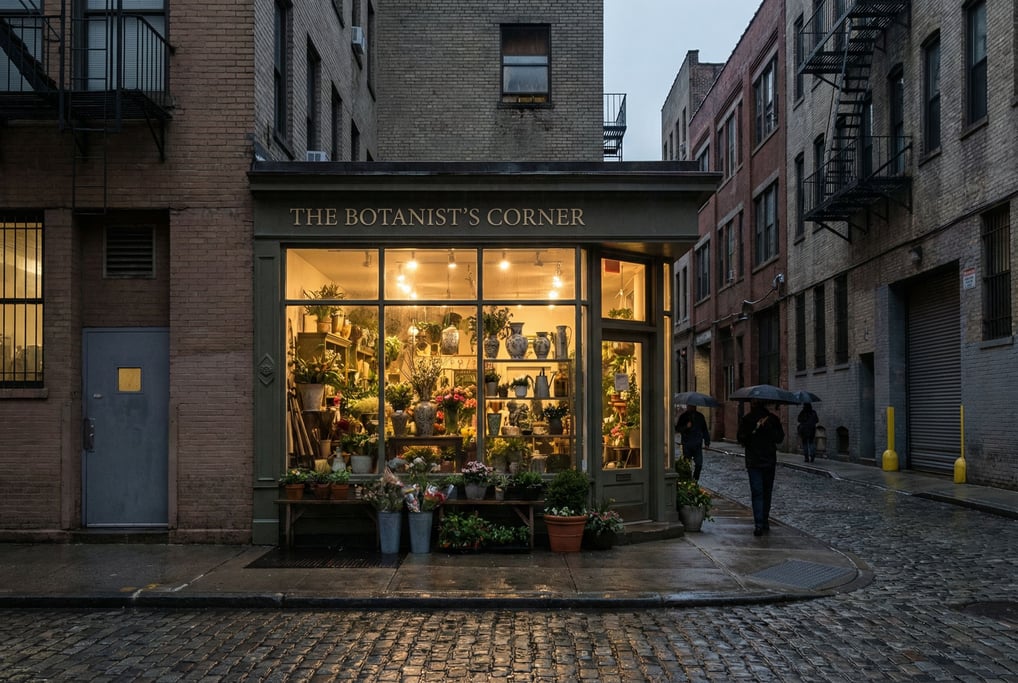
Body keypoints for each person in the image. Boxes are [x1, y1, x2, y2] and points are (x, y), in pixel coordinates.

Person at [737, 398, 785, 536]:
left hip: (756, 461)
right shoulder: (764, 419)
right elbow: (779, 438)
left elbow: (741, 439)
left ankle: (760, 522)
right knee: (765, 492)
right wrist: (757, 428)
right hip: (766, 460)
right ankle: (763, 521)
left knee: (758, 492)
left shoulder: (766, 419)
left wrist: (764, 428)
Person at [675, 404, 710, 480]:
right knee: (686, 464)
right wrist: (686, 427)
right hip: (687, 444)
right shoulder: (683, 416)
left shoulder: (700, 416)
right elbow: (678, 428)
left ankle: (695, 479)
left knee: (699, 464)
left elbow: (704, 430)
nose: (691, 407)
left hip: (697, 444)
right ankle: (687, 479)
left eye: (692, 406)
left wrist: (707, 442)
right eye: (689, 406)